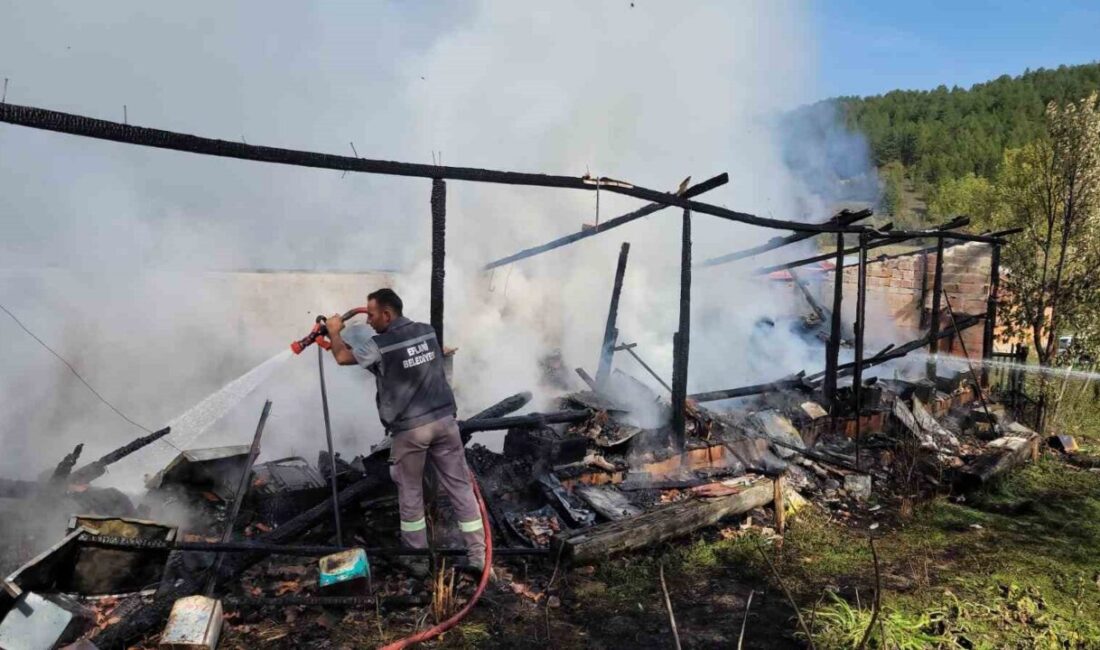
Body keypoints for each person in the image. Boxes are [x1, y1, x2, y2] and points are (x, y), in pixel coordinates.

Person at [325, 288, 486, 574]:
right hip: (445, 422)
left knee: (410, 491)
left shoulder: (379, 344)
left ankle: (418, 559)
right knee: (460, 487)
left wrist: (335, 331)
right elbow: (409, 361)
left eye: (372, 315)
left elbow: (340, 357)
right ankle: (478, 556)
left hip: (412, 431)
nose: (370, 322)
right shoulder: (427, 331)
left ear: (387, 314)